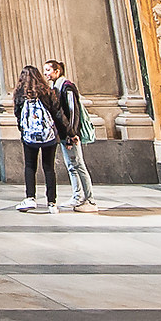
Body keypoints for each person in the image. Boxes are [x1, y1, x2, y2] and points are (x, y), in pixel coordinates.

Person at [12, 64, 70, 212]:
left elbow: (18, 115)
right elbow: (58, 114)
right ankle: (52, 203)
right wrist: (67, 133)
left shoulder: (19, 94)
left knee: (30, 166)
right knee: (49, 167)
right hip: (48, 136)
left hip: (29, 137)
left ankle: (30, 198)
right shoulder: (48, 92)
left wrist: (23, 130)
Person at [44, 58, 97, 210]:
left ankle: (90, 200)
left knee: (79, 165)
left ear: (57, 71)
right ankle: (77, 196)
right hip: (63, 133)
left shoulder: (67, 87)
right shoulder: (55, 87)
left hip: (70, 134)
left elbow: (74, 112)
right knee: (71, 166)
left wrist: (71, 134)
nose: (45, 73)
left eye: (48, 70)